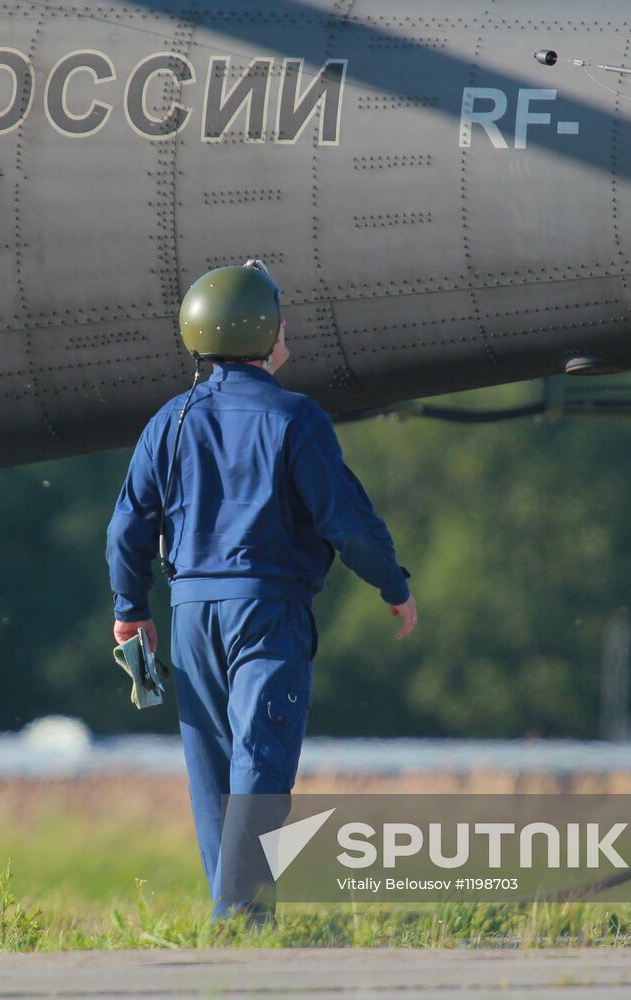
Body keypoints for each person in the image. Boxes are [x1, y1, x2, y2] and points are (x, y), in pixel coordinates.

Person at [106, 262, 417, 918]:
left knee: (213, 772)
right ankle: (242, 918)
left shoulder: (171, 419)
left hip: (190, 613)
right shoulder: (296, 418)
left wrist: (131, 610)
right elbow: (343, 515)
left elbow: (128, 525)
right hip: (267, 610)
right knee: (262, 760)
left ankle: (234, 916)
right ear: (263, 330)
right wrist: (391, 581)